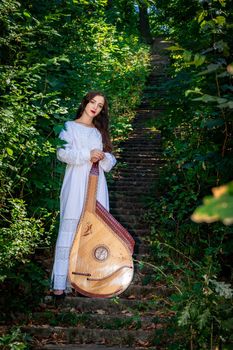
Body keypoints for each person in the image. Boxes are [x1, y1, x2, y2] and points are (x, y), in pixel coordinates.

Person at [51, 91, 116, 298]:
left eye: (100, 105)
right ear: (85, 102)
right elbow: (62, 153)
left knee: (93, 231)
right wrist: (87, 155)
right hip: (75, 183)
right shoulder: (69, 127)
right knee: (69, 228)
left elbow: (110, 163)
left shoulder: (99, 133)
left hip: (96, 184)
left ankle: (86, 282)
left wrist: (103, 156)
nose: (95, 107)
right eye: (93, 102)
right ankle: (60, 284)